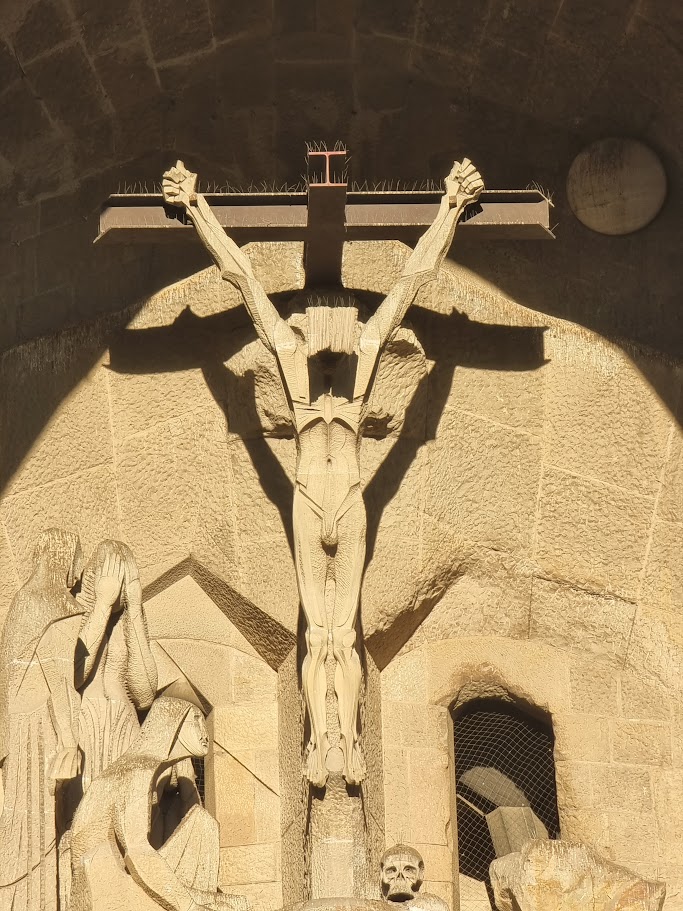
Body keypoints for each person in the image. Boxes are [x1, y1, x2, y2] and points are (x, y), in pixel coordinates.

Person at [162, 157, 484, 787]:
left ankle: (349, 739)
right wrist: (196, 207)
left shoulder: (362, 360)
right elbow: (243, 281)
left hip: (338, 499)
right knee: (321, 635)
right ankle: (321, 739)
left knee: (343, 632)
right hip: (317, 500)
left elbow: (411, 284)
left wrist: (450, 207)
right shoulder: (293, 361)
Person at [69, 696, 244, 911]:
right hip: (106, 882)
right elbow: (137, 853)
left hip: (110, 879)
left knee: (204, 826)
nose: (204, 732)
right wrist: (190, 906)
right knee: (204, 827)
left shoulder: (139, 767)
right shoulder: (138, 769)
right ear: (172, 724)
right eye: (195, 720)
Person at [0, 528, 85, 911]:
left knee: (24, 826)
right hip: (38, 729)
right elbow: (59, 676)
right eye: (75, 562)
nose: (76, 575)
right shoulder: (51, 602)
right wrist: (69, 738)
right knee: (36, 825)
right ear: (61, 556)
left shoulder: (23, 599)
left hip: (20, 734)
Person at [75, 540, 157, 791]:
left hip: (124, 725)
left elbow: (145, 696)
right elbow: (75, 675)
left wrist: (135, 609)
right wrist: (102, 605)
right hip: (85, 723)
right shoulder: (74, 611)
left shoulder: (130, 619)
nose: (120, 585)